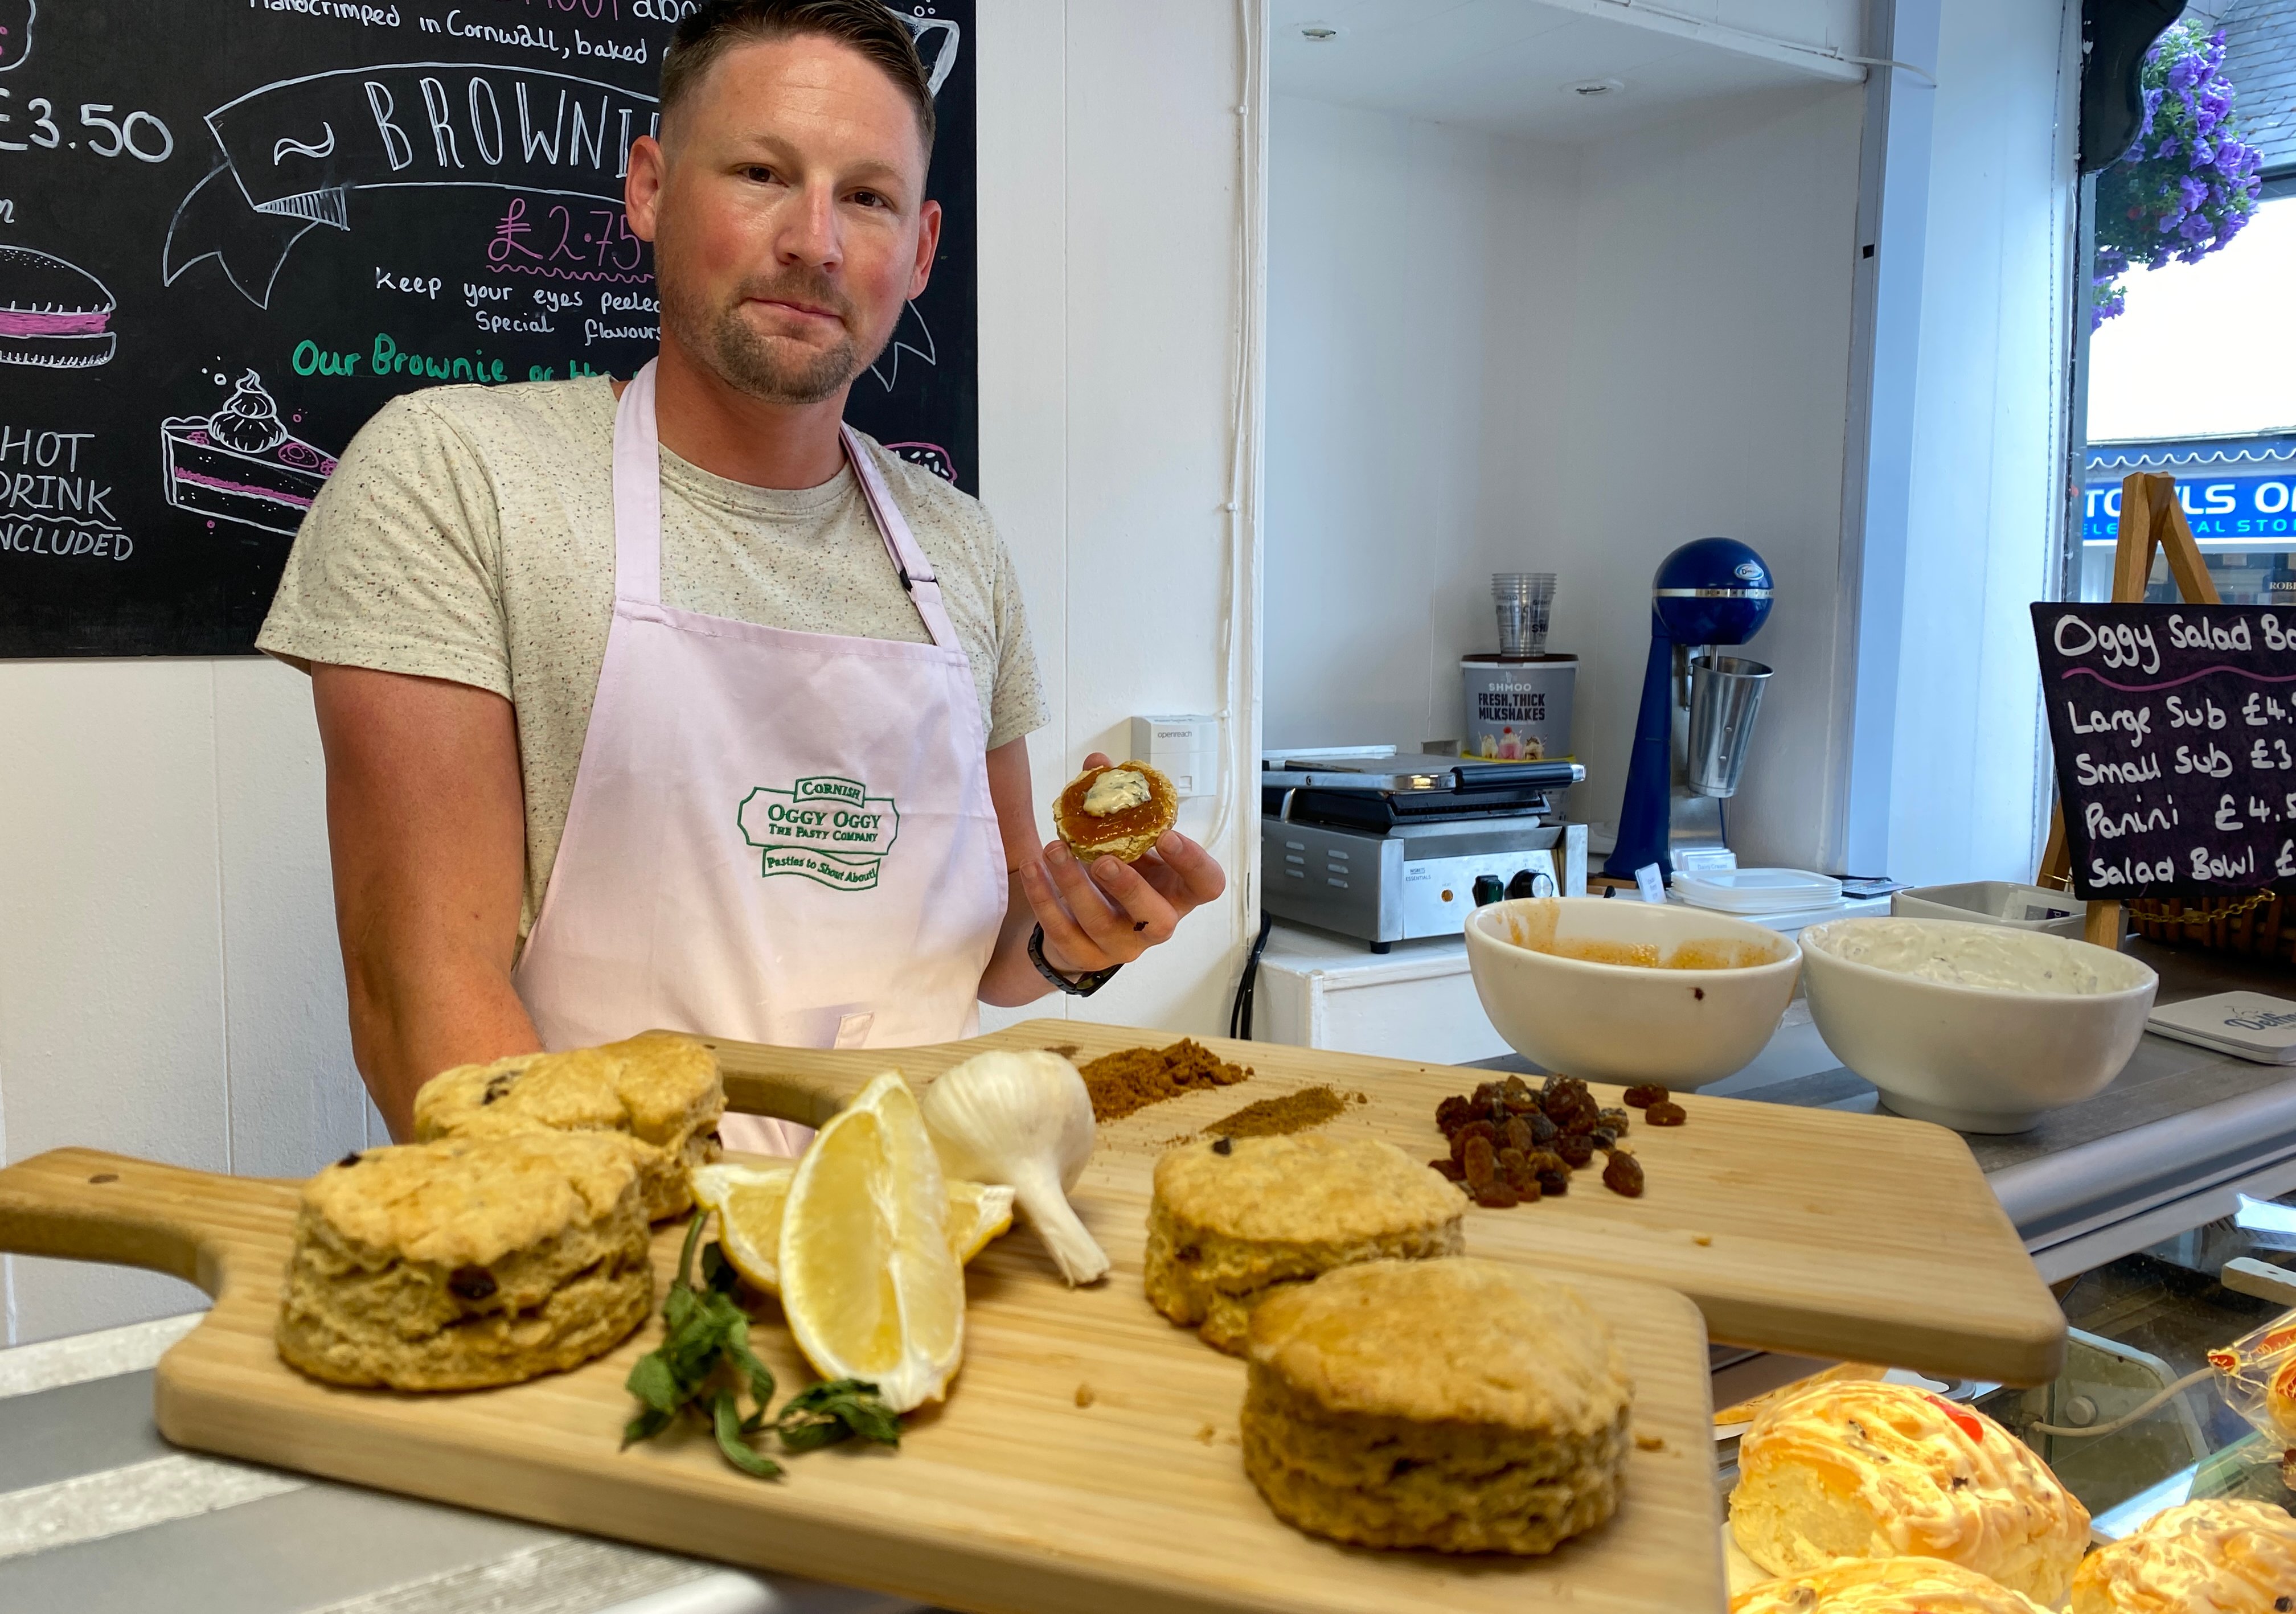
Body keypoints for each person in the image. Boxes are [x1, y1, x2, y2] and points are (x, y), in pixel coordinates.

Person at [257, 0, 1225, 1145]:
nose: (815, 240)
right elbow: (425, 1006)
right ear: (651, 189)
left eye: (866, 197)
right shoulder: (457, 481)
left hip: (928, 1228)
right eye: (763, 171)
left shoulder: (960, 547)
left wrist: (1076, 932)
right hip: (622, 1256)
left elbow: (1001, 951)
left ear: (917, 250)